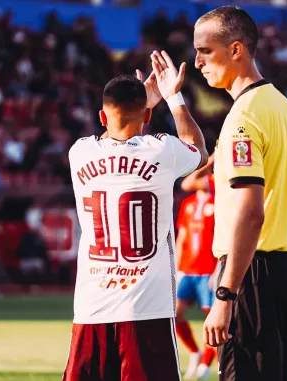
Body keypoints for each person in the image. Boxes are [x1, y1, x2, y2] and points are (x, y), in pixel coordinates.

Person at [161, 6, 287, 381]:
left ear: (236, 50)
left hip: (251, 275)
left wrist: (226, 296)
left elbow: (250, 212)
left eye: (205, 51)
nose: (196, 62)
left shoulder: (242, 119)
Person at [62, 54, 209, 381]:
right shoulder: (161, 151)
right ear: (146, 116)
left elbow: (119, 141)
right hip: (147, 307)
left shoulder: (79, 152)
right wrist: (172, 97)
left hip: (91, 307)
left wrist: (145, 103)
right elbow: (198, 149)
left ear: (102, 115)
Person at [174, 158, 217, 380]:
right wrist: (177, 269)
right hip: (188, 270)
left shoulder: (219, 198)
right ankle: (195, 352)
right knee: (176, 313)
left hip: (209, 271)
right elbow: (182, 238)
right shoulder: (188, 204)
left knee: (213, 319)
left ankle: (207, 364)